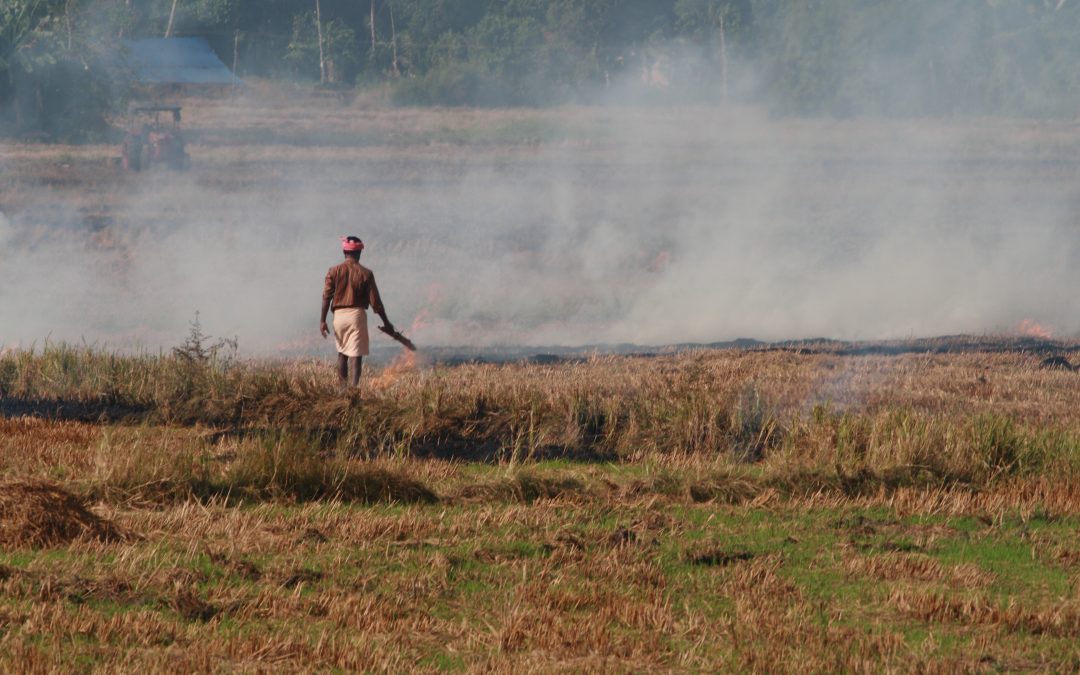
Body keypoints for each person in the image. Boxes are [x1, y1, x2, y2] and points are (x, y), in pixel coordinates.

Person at [320, 236, 394, 388]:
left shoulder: (333, 271)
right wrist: (387, 323)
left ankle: (342, 390)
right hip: (356, 316)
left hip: (338, 317)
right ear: (359, 253)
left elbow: (326, 297)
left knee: (342, 353)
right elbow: (376, 304)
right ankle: (353, 390)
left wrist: (322, 321)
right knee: (356, 355)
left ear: (344, 251)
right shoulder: (366, 273)